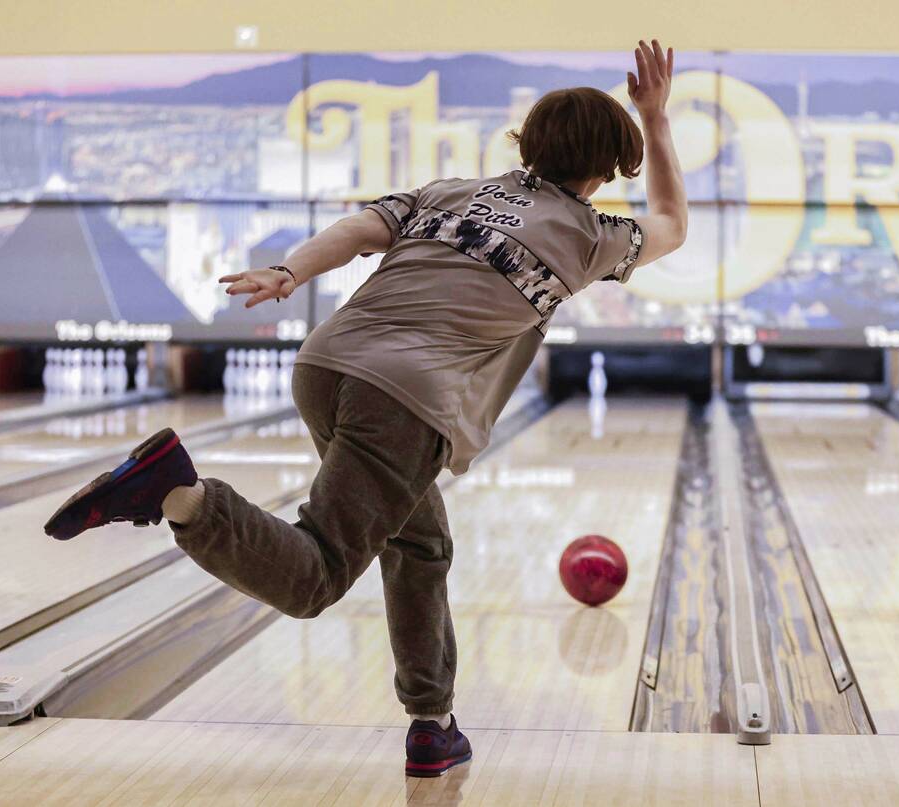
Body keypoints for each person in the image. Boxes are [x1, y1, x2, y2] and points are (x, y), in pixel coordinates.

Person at [45, 39, 686, 777]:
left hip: (324, 361)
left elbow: (356, 232)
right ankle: (180, 496)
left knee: (420, 542)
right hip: (404, 398)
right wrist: (657, 118)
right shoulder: (590, 235)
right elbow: (672, 222)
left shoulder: (450, 189)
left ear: (528, 145)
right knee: (314, 576)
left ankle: (432, 723)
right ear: (605, 171)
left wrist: (289, 271)